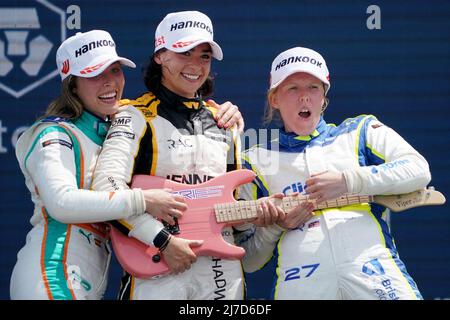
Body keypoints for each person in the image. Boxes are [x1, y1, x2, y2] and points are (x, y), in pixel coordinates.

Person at [10, 29, 243, 300]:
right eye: (96, 75)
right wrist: (141, 200)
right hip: (53, 267)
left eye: (115, 71)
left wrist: (217, 112)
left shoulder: (115, 124)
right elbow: (61, 203)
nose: (110, 83)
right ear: (72, 84)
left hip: (90, 272)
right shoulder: (53, 133)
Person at [92, 10, 271, 300]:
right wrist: (162, 240)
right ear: (161, 55)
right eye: (184, 53)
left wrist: (263, 217)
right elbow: (107, 188)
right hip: (156, 263)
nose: (196, 65)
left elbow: (237, 210)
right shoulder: (134, 115)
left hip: (220, 271)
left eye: (204, 56)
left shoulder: (225, 121)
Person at [235, 46, 431, 300]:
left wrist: (348, 181)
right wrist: (274, 227)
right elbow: (249, 260)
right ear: (274, 98)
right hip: (300, 276)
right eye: (293, 88)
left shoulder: (359, 130)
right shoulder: (254, 160)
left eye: (313, 87)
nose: (304, 97)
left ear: (324, 96)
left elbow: (418, 169)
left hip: (371, 264)